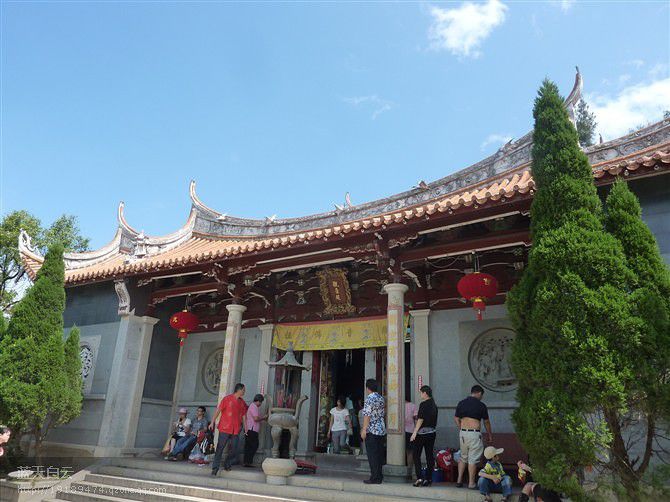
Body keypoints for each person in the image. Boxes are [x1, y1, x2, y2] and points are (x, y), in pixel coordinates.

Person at [454, 384, 492, 489]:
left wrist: (461, 428)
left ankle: (459, 480)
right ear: (479, 393)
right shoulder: (481, 405)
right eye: (482, 395)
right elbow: (486, 422)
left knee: (463, 457)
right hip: (474, 434)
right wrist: (489, 434)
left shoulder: (461, 403)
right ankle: (471, 483)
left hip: (463, 434)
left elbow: (456, 418)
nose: (482, 397)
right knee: (473, 459)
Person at [210, 383, 247, 476]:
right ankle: (215, 468)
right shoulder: (227, 399)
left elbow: (244, 416)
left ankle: (227, 463)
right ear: (239, 390)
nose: (244, 391)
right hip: (225, 427)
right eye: (243, 390)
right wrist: (212, 422)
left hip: (236, 429)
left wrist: (246, 427)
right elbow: (218, 410)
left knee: (234, 449)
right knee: (220, 448)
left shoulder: (242, 402)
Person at [410, 385, 438, 487]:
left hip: (422, 433)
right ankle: (428, 478)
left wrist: (414, 432)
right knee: (429, 456)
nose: (420, 395)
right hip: (432, 432)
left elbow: (420, 419)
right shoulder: (434, 405)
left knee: (416, 455)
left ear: (425, 393)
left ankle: (420, 478)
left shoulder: (423, 404)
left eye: (421, 393)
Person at [361, 378, 385, 485]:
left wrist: (364, 429)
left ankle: (374, 477)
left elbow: (367, 415)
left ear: (367, 388)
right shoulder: (381, 398)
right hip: (381, 429)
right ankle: (379, 476)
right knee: (379, 454)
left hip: (372, 429)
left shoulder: (369, 398)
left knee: (372, 455)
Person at [244, 394, 268, 467]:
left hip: (249, 429)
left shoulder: (252, 406)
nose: (261, 404)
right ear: (258, 401)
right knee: (254, 445)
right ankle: (248, 462)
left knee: (248, 446)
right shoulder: (254, 407)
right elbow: (256, 418)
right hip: (252, 429)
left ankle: (247, 462)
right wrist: (263, 418)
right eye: (261, 402)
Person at [404, 398, 418, 468]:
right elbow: (416, 418)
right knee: (410, 451)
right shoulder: (413, 406)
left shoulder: (397, 406)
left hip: (399, 433)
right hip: (410, 431)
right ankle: (409, 468)